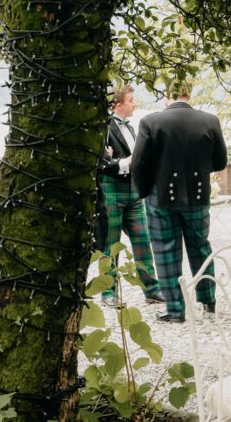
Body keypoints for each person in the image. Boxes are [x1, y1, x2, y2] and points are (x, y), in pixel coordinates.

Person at [131, 83, 227, 323]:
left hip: (160, 197)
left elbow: (138, 164)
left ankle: (175, 310)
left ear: (166, 96)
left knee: (165, 250)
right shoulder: (209, 120)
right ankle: (208, 302)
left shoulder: (151, 122)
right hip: (197, 195)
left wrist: (145, 192)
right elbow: (221, 162)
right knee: (200, 248)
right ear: (189, 94)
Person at [97, 86, 163, 308]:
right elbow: (102, 165)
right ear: (118, 105)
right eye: (131, 100)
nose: (135, 103)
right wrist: (129, 161)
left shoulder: (132, 128)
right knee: (111, 244)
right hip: (111, 192)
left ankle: (152, 290)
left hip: (133, 192)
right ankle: (108, 291)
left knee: (143, 240)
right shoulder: (103, 128)